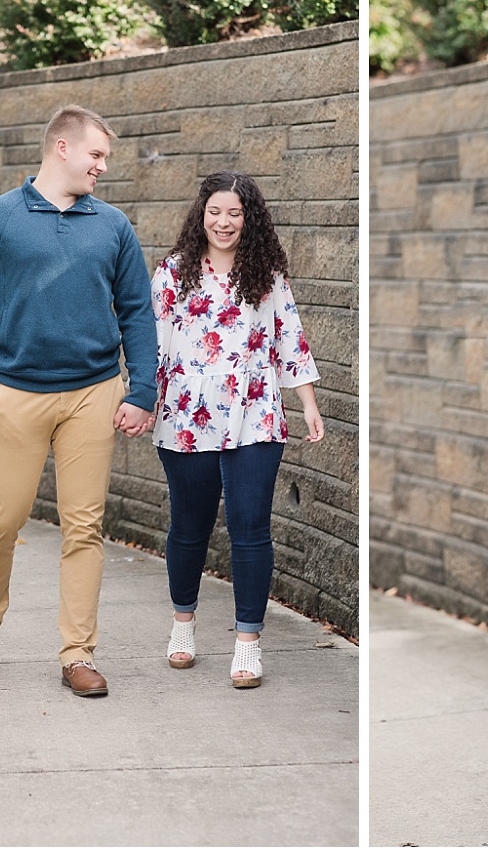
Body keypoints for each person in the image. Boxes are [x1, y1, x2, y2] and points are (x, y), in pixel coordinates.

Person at [0, 104, 157, 697]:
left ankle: (77, 652)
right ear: (61, 148)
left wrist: (140, 389)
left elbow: (137, 311)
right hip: (14, 393)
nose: (102, 167)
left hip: (93, 393)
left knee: (84, 526)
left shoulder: (113, 226)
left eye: (106, 159)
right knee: (4, 516)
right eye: (96, 155)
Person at [151, 170, 324, 688]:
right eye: (215, 212)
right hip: (186, 418)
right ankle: (183, 624)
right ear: (200, 215)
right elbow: (152, 344)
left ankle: (247, 642)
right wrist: (141, 400)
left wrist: (308, 403)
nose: (224, 222)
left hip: (256, 416)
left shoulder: (266, 275)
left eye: (235, 213)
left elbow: (289, 337)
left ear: (250, 219)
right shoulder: (171, 273)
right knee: (190, 526)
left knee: (251, 528)